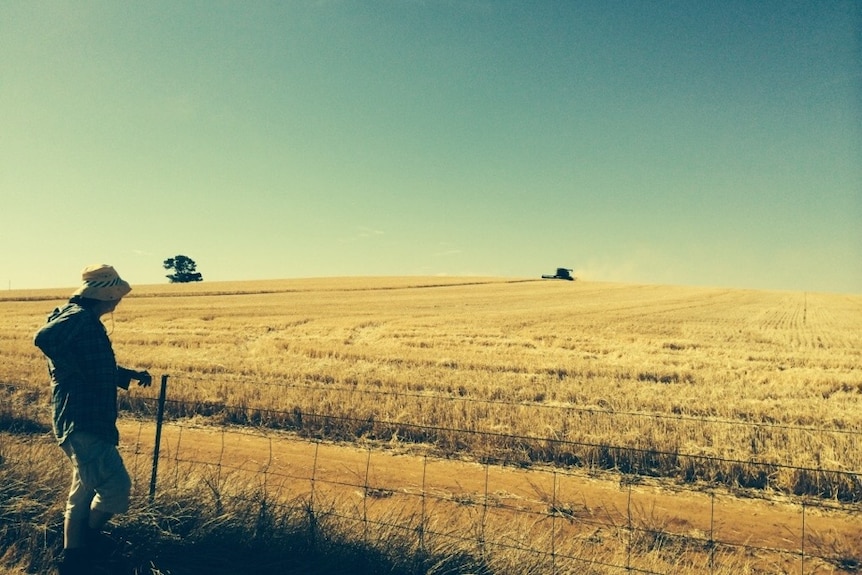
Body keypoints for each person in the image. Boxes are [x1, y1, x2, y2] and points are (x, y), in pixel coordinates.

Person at [34, 264, 152, 575]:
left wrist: (128, 375)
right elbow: (44, 337)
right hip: (83, 419)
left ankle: (74, 557)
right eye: (117, 296)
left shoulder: (82, 319)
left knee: (84, 489)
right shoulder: (80, 318)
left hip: (82, 418)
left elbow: (95, 365)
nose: (118, 302)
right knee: (116, 487)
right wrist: (68, 367)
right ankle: (88, 542)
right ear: (106, 294)